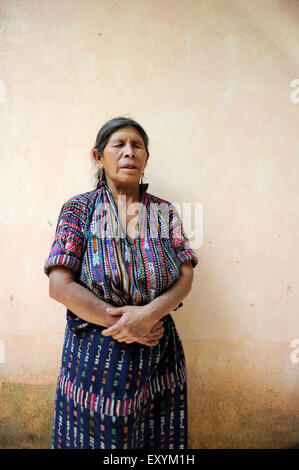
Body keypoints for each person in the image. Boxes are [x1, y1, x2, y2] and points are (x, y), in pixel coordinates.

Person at [44, 116, 198, 449]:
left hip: (159, 350)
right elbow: (59, 284)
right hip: (97, 353)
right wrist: (127, 324)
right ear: (98, 157)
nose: (129, 152)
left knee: (159, 437)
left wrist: (149, 316)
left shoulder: (164, 212)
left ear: (145, 159)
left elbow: (186, 275)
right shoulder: (79, 209)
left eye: (137, 146)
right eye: (119, 145)